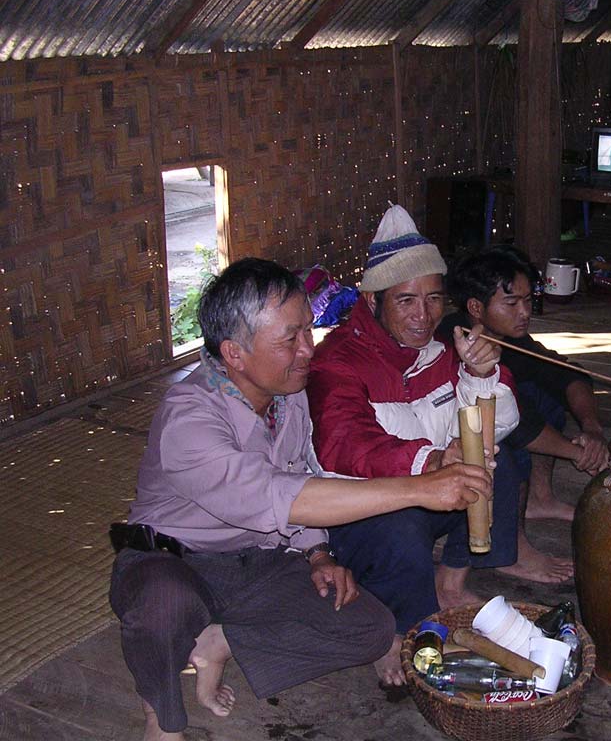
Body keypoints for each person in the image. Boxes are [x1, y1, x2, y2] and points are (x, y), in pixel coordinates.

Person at [108, 258, 492, 741]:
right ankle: (161, 718)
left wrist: (317, 553)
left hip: (258, 562)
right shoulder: (189, 415)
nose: (309, 349)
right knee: (162, 604)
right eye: (290, 339)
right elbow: (273, 493)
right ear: (234, 353)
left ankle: (220, 641)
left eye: (308, 331)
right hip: (173, 559)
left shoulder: (288, 398)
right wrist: (421, 486)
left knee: (371, 630)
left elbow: (301, 474)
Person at [306, 204, 521, 686]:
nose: (423, 315)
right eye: (405, 301)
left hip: (430, 490)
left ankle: (450, 583)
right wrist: (431, 463)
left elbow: (496, 427)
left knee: (497, 466)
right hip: (361, 511)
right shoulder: (336, 361)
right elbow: (343, 442)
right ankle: (396, 632)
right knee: (398, 529)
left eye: (433, 299)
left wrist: (481, 375)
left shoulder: (440, 349)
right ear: (372, 300)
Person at [443, 245, 611, 556]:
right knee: (509, 450)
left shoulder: (510, 338)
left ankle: (541, 499)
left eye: (527, 299)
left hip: (509, 422)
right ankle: (514, 550)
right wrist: (579, 454)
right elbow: (519, 424)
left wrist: (592, 428)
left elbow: (568, 375)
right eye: (512, 303)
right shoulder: (457, 341)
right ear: (476, 308)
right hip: (455, 442)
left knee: (544, 391)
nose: (525, 311)